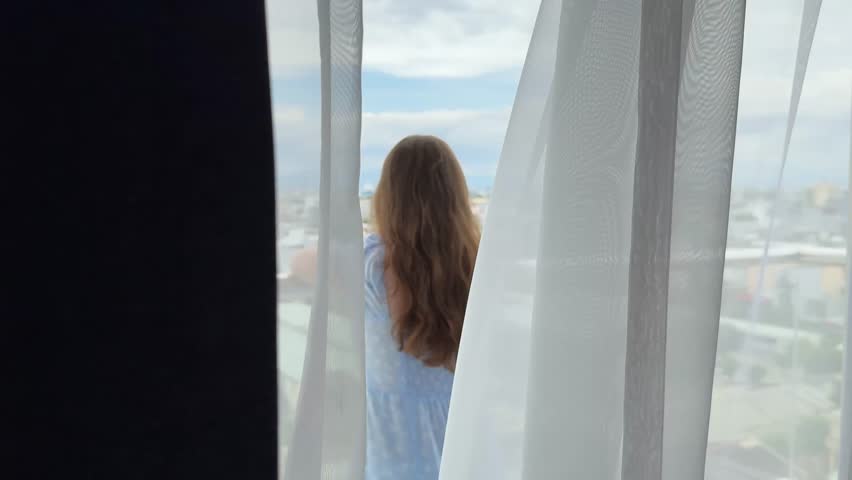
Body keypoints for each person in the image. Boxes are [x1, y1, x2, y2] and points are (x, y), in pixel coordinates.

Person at [364, 135, 480, 480]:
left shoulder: (373, 266)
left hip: (392, 458)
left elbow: (306, 262)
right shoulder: (476, 266)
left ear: (388, 197)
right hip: (461, 455)